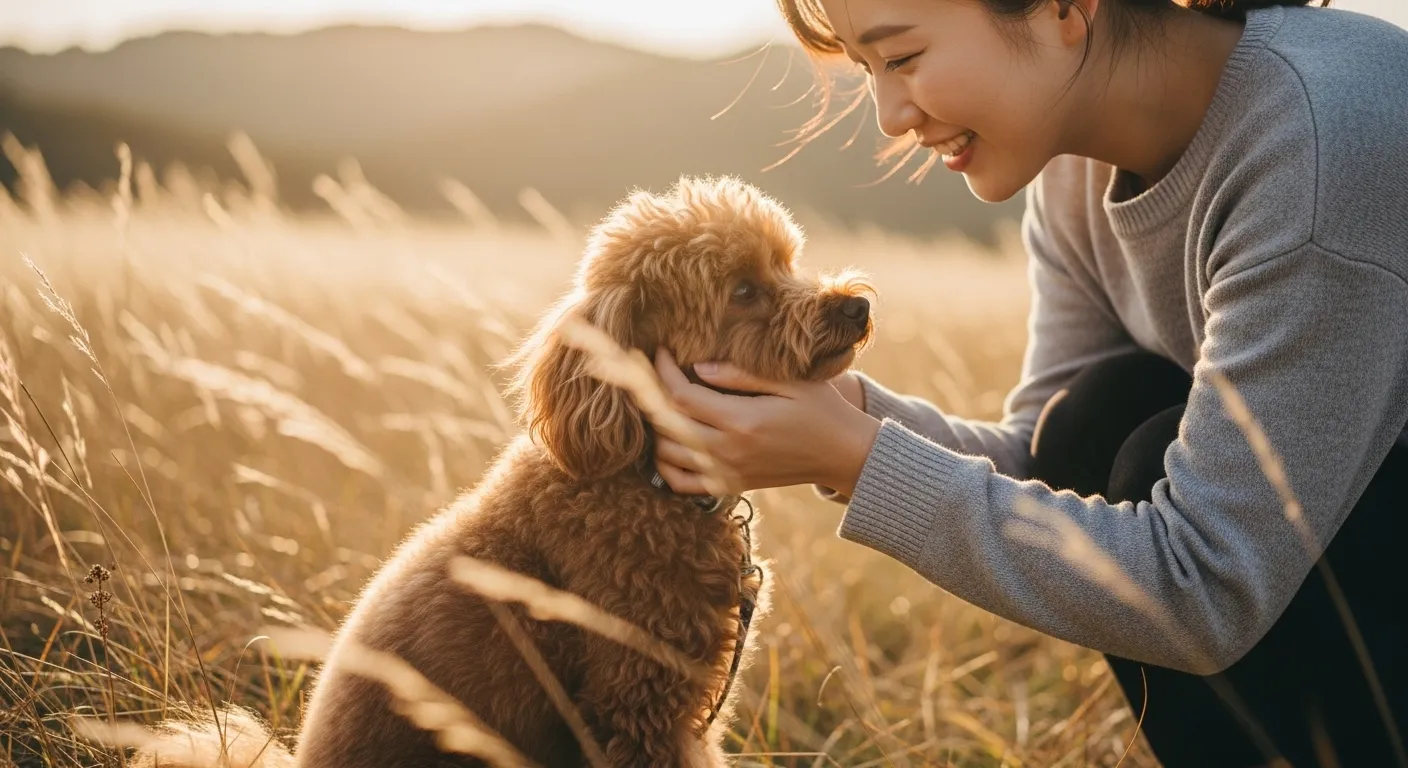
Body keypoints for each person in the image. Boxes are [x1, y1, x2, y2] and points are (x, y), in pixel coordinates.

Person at [647, 0, 1408, 765]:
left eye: (902, 57)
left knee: (1144, 456)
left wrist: (856, 459)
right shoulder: (1074, 167)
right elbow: (1040, 461)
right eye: (867, 69)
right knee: (1092, 420)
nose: (888, 114)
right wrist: (851, 418)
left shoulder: (1320, 138)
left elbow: (1205, 585)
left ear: (1063, 9)